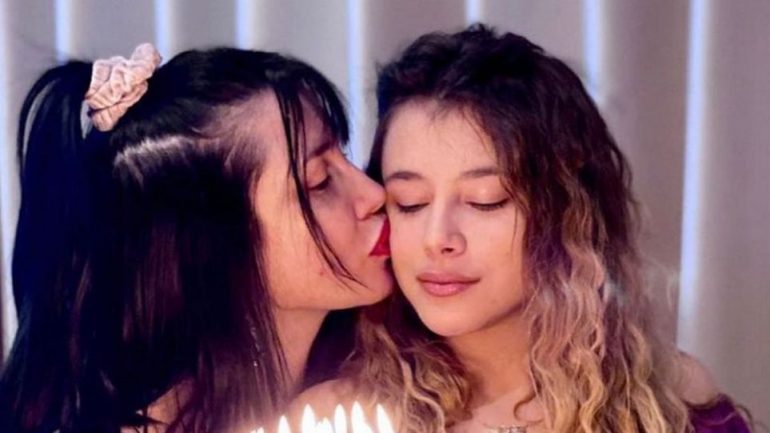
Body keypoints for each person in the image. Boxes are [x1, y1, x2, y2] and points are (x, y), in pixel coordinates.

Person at [295, 25, 753, 433]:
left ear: (566, 213)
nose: (438, 239)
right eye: (409, 203)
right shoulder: (335, 420)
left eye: (485, 200)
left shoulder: (668, 398)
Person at [0, 43, 393, 433]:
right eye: (319, 181)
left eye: (344, 155)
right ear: (215, 247)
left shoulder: (387, 385)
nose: (375, 193)